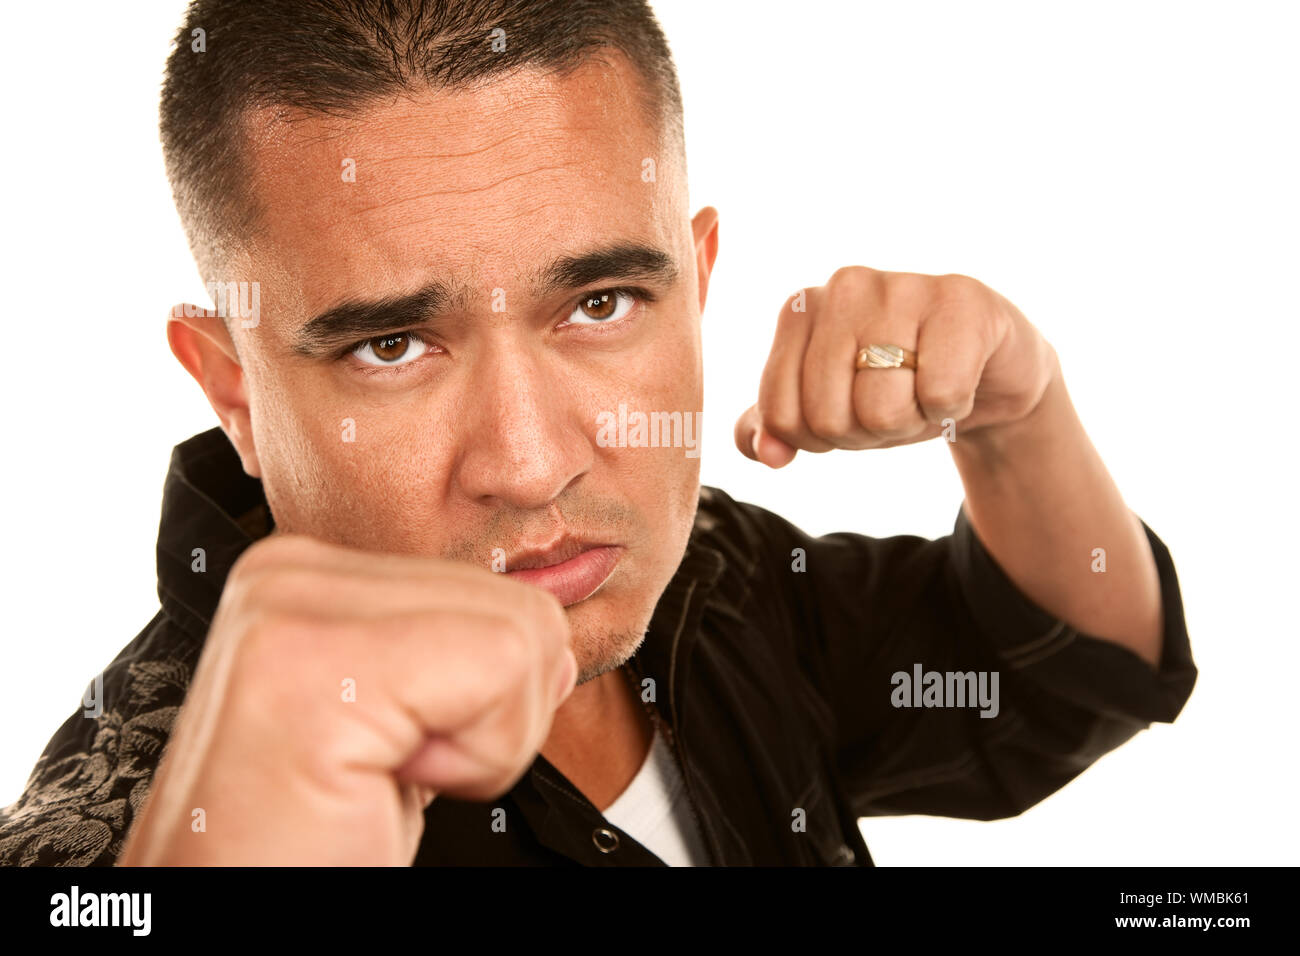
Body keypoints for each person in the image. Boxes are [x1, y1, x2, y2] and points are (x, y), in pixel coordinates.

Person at [0, 0, 1195, 867]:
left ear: (698, 278)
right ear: (236, 390)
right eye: (391, 344)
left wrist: (1015, 415)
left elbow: (1059, 682)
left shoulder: (712, 571)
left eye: (599, 304)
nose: (531, 466)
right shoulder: (135, 826)